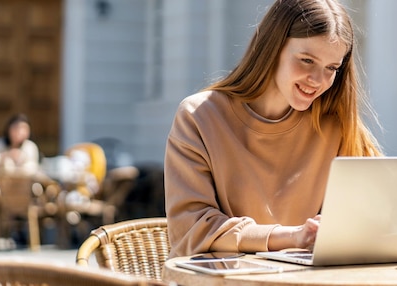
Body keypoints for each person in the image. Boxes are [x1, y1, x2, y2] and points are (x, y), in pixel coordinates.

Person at [164, 0, 383, 258]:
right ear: (273, 47)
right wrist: (294, 236)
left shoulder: (335, 123)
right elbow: (190, 231)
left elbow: (378, 209)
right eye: (307, 60)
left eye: (332, 68)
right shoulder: (199, 116)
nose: (318, 80)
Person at [0, 113, 40, 177]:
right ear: (9, 129)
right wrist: (5, 156)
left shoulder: (30, 147)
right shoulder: (0, 143)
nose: (20, 132)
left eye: (24, 129)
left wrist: (20, 163)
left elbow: (33, 169)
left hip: (23, 183)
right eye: (16, 128)